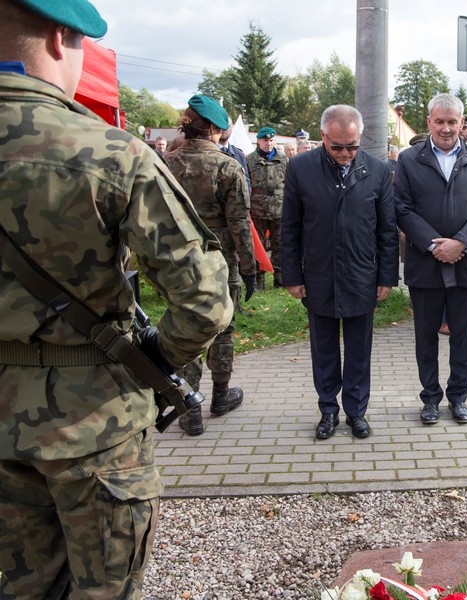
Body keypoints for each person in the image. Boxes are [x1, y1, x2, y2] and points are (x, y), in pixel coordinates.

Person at [0, 1, 232, 596]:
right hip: (93, 424)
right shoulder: (110, 153)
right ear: (59, 39)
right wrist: (153, 355)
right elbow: (205, 301)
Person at [282, 105, 398, 440]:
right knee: (324, 349)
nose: (346, 154)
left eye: (352, 146)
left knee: (360, 350)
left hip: (362, 275)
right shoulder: (301, 168)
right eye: (338, 147)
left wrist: (386, 277)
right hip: (318, 275)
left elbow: (387, 230)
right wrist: (292, 275)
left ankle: (357, 412)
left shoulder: (377, 169)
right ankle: (328, 410)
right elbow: (289, 226)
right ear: (323, 137)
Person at [394, 93, 467, 425]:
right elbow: (402, 208)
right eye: (440, 121)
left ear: (462, 123)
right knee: (425, 336)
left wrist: (461, 243)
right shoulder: (409, 159)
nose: (447, 128)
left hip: (465, 263)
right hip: (425, 264)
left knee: (462, 335)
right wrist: (433, 244)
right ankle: (430, 399)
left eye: (453, 121)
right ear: (429, 123)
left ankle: (458, 397)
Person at [166, 95, 257, 435]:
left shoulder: (165, 162)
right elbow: (239, 224)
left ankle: (188, 407)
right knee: (223, 327)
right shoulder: (227, 166)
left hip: (177, 258)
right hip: (220, 259)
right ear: (216, 130)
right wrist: (249, 269)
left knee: (186, 326)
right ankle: (221, 395)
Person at [248, 127, 289, 289]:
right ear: (258, 141)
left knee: (279, 243)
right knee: (258, 245)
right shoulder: (250, 159)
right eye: (265, 140)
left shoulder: (284, 160)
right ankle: (259, 279)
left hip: (279, 208)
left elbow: (290, 184)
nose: (268, 143)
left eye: (271, 140)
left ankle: (279, 278)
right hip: (257, 208)